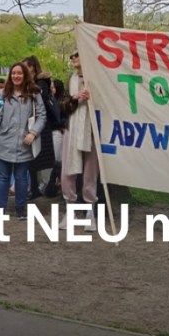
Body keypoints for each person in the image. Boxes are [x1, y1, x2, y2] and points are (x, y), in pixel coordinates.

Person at [0, 63, 45, 220]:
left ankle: (20, 208)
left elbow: (41, 115)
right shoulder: (3, 93)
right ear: (10, 75)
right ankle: (1, 208)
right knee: (3, 176)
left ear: (25, 75)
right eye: (13, 73)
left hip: (25, 142)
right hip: (5, 140)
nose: (16, 76)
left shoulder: (34, 93)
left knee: (21, 177)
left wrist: (33, 132)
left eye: (19, 73)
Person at [59, 52, 99, 228]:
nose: (73, 58)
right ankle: (70, 208)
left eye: (77, 55)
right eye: (72, 56)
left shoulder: (97, 78)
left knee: (91, 170)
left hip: (91, 128)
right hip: (73, 126)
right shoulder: (71, 79)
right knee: (68, 168)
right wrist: (75, 99)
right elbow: (62, 104)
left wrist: (93, 98)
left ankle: (90, 210)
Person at [22, 55, 59, 199]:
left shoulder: (40, 84)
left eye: (26, 66)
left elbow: (39, 104)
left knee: (38, 157)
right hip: (33, 122)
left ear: (32, 67)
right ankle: (36, 186)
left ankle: (46, 186)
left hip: (40, 124)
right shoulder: (35, 83)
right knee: (32, 157)